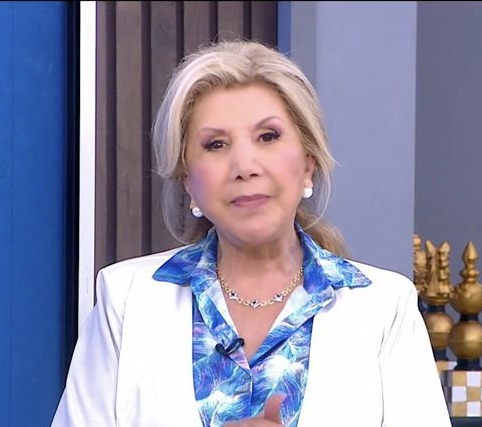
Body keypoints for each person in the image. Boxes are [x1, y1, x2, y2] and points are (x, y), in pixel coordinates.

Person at [51, 39, 451, 427]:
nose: (245, 166)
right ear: (188, 179)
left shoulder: (385, 308)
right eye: (216, 144)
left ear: (308, 164)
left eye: (268, 137)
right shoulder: (126, 300)